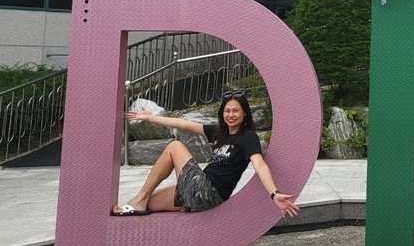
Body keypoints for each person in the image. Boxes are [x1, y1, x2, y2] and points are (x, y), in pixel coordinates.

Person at [111, 91, 299, 218]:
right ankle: (141, 203)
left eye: (236, 111)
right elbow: (184, 124)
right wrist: (151, 117)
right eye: (227, 111)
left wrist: (274, 194)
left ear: (244, 114)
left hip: (210, 192)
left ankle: (138, 201)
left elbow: (259, 165)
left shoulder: (248, 137)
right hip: (200, 189)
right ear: (222, 113)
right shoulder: (218, 133)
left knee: (175, 146)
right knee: (150, 202)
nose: (231, 115)